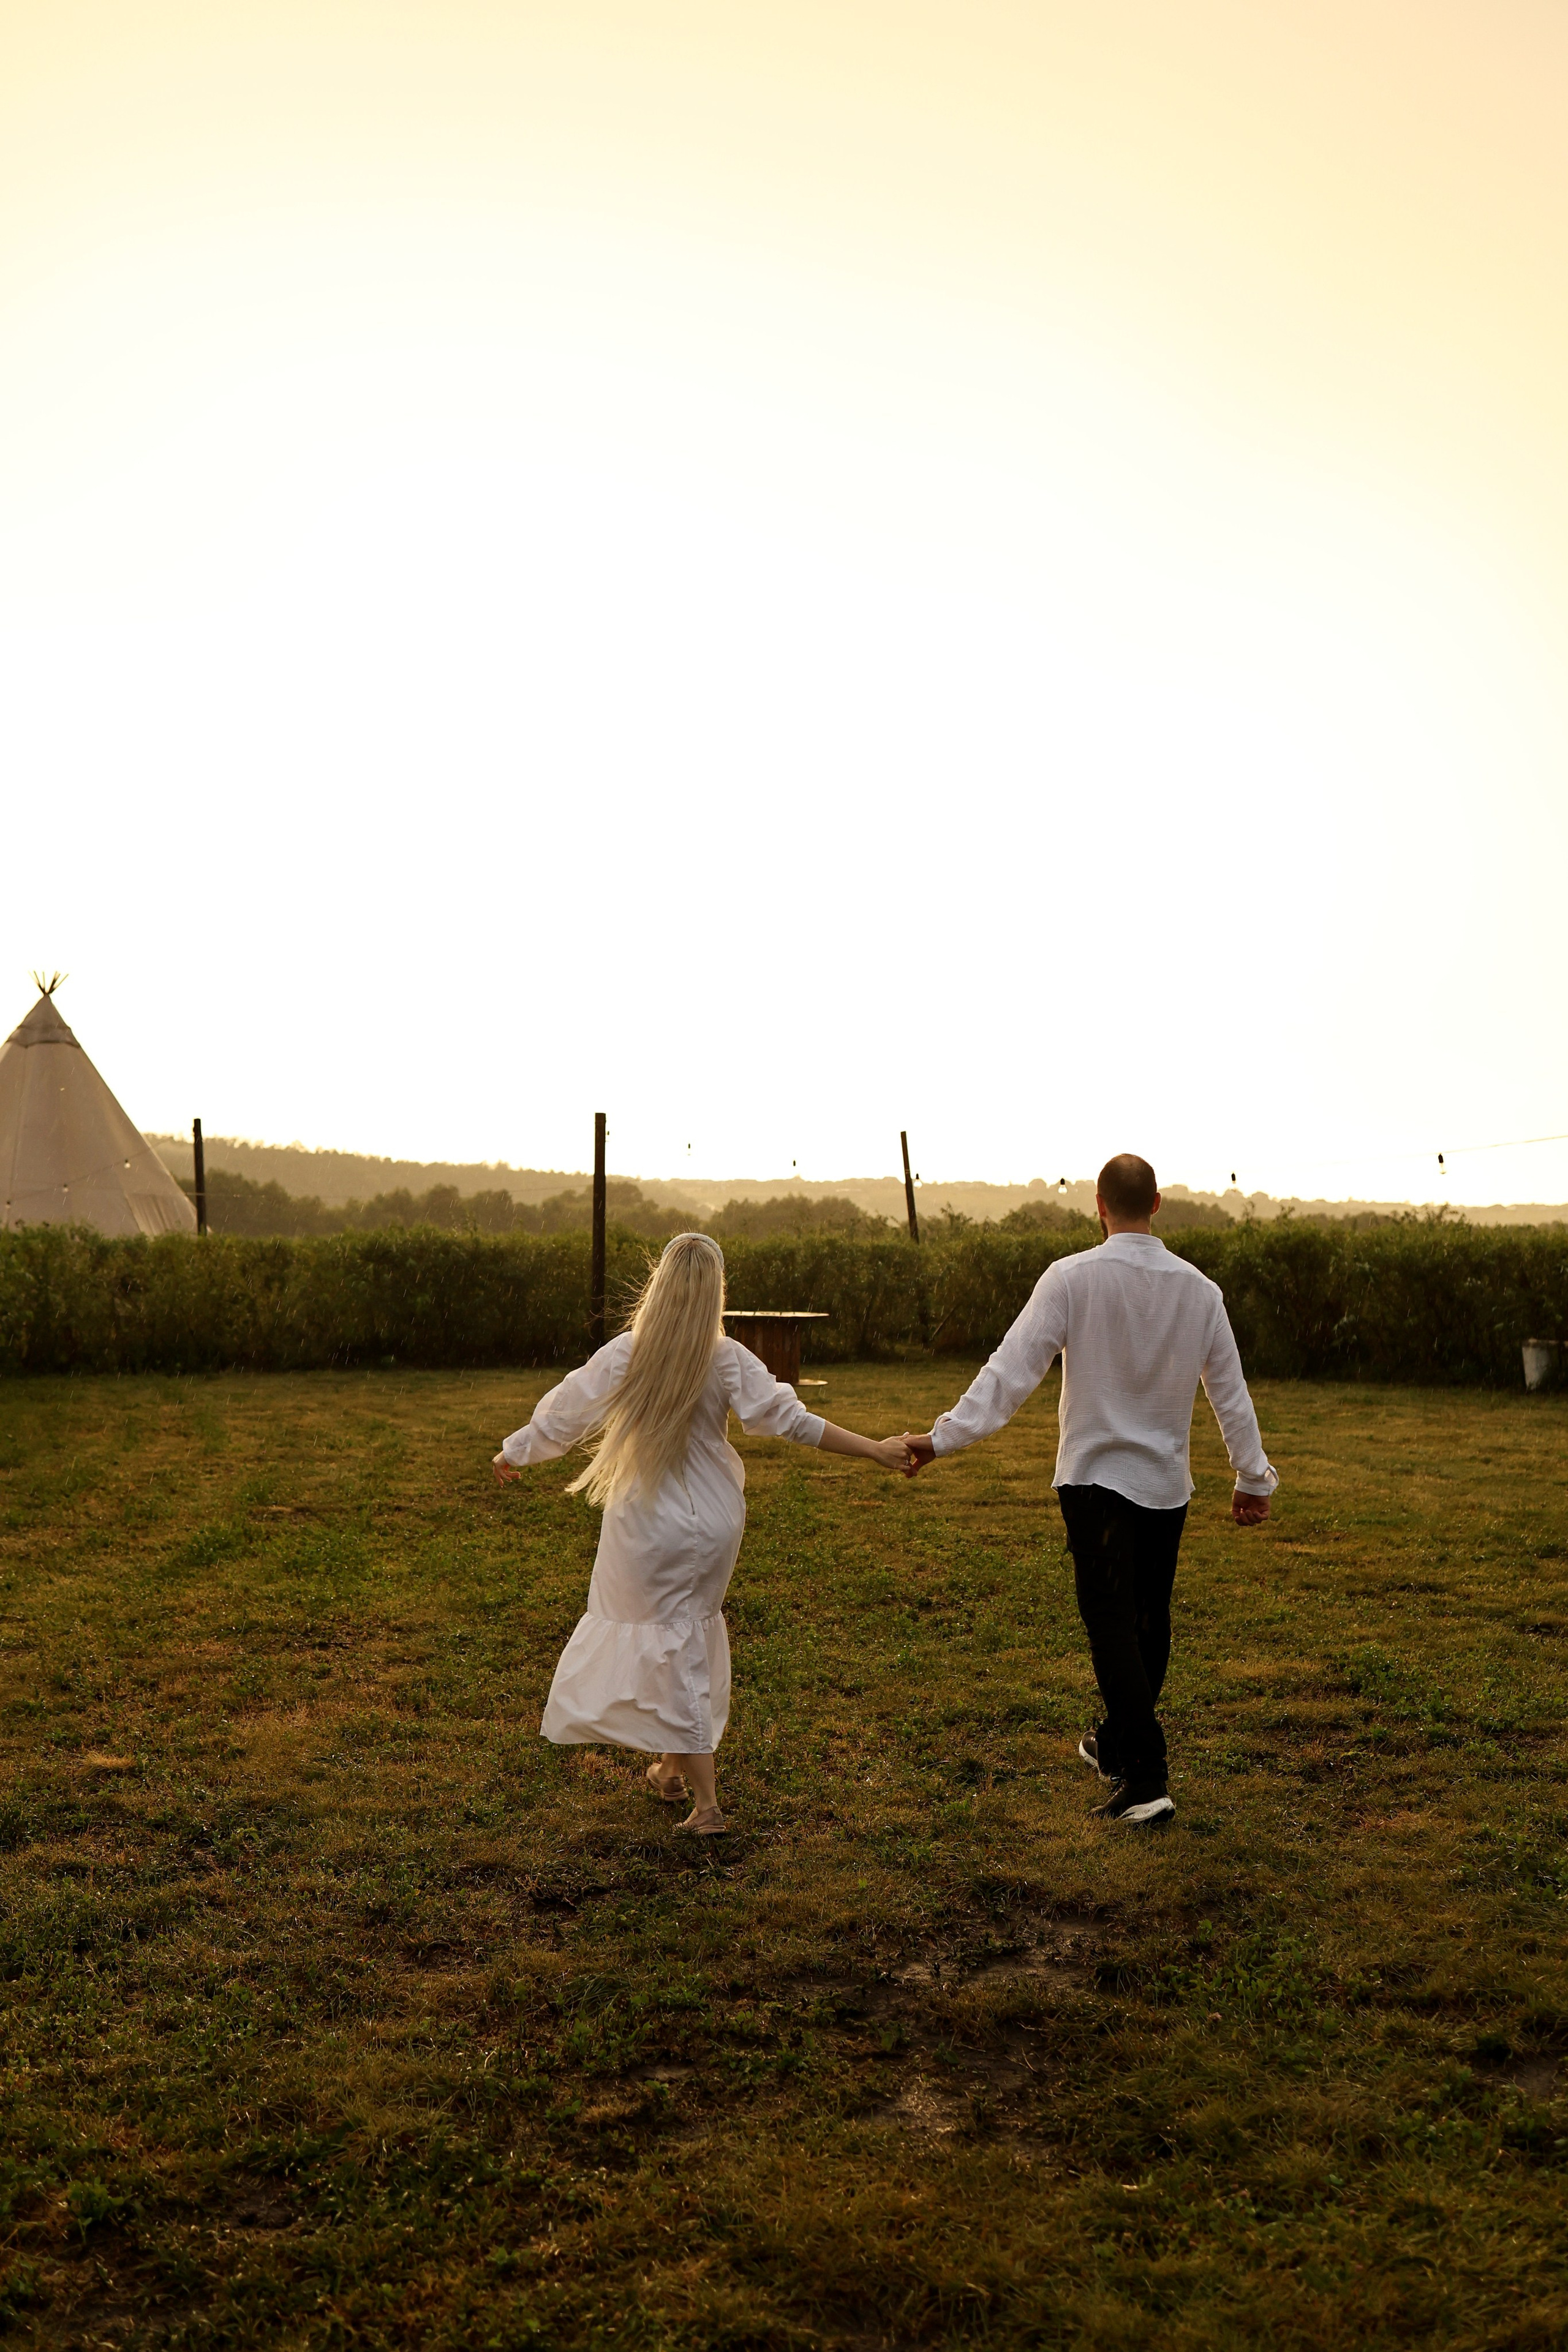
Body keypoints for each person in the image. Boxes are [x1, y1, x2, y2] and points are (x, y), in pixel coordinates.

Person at [901, 1153, 1276, 1827]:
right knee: (1145, 1622)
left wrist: (943, 1438)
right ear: (1156, 1203)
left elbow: (1010, 1371)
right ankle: (1113, 1743)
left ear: (1098, 1205)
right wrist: (1252, 1478)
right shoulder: (1200, 1291)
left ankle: (1146, 1779)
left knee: (1114, 1627)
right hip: (1166, 1483)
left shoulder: (1070, 1278)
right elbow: (1230, 1393)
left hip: (1094, 1480)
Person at [492, 1231, 911, 1834]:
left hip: (648, 1520)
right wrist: (874, 1449)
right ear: (715, 1292)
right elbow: (791, 1420)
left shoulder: (628, 1352)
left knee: (671, 1643)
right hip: (713, 1520)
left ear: (660, 1285)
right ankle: (669, 1768)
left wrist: (516, 1451)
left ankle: (708, 1804)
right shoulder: (727, 1357)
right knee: (683, 1637)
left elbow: (564, 1412)